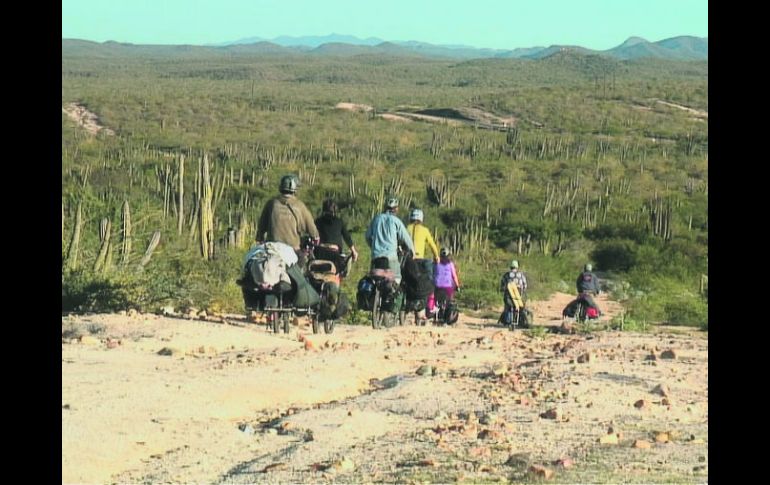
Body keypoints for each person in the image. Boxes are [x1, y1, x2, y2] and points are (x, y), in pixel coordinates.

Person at [256, 174, 319, 264]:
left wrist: (260, 239)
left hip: (272, 248)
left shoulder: (271, 203)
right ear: (295, 189)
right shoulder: (300, 206)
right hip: (293, 250)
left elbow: (261, 228)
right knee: (302, 272)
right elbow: (314, 233)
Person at [365, 197, 414, 283]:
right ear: (396, 209)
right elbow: (406, 239)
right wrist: (412, 252)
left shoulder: (376, 219)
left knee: (373, 280)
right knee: (397, 279)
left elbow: (368, 236)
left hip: (376, 256)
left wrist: (373, 247)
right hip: (391, 257)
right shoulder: (396, 221)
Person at [406, 208, 440, 317]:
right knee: (426, 281)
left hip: (407, 260)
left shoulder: (406, 228)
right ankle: (426, 307)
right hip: (419, 260)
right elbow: (432, 244)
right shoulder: (424, 230)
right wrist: (436, 257)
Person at [434, 247, 461, 319]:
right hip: (447, 287)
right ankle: (447, 316)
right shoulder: (450, 264)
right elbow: (454, 276)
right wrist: (457, 286)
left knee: (435, 300)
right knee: (450, 300)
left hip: (437, 286)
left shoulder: (436, 263)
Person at [499, 259, 528, 325]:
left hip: (509, 296)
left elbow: (502, 285)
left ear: (511, 267)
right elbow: (525, 285)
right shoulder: (521, 275)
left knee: (507, 306)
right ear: (517, 267)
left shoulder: (507, 275)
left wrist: (503, 289)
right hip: (518, 296)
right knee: (521, 306)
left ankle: (507, 321)